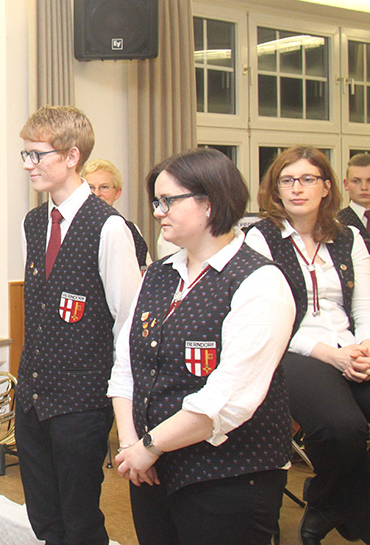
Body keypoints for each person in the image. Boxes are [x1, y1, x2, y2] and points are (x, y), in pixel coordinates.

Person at [109, 148, 294, 545]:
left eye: (168, 201)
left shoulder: (260, 281)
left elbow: (228, 399)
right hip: (149, 469)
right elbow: (126, 367)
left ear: (210, 203)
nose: (158, 212)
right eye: (156, 202)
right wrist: (131, 445)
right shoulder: (158, 275)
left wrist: (149, 446)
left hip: (228, 476)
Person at [16, 106, 142, 545]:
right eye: (25, 155)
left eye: (37, 155)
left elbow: (128, 321)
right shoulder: (34, 222)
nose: (28, 165)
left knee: (80, 520)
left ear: (72, 156)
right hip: (33, 397)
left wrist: (124, 408)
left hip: (81, 399)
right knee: (45, 518)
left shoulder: (109, 227)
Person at [244, 146, 370, 544]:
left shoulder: (348, 236)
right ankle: (336, 505)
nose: (297, 188)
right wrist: (332, 355)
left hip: (350, 345)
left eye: (308, 179)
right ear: (276, 189)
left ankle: (332, 502)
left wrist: (365, 347)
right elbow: (268, 316)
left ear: (327, 187)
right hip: (293, 349)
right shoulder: (260, 238)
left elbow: (364, 303)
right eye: (288, 180)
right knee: (342, 428)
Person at [82, 158, 152, 267]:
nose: (96, 193)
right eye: (90, 187)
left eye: (104, 187)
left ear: (117, 193)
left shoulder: (131, 229)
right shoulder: (72, 231)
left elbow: (146, 271)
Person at [339, 152, 370, 246]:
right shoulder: (337, 223)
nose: (364, 187)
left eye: (369, 181)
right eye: (356, 181)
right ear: (346, 184)